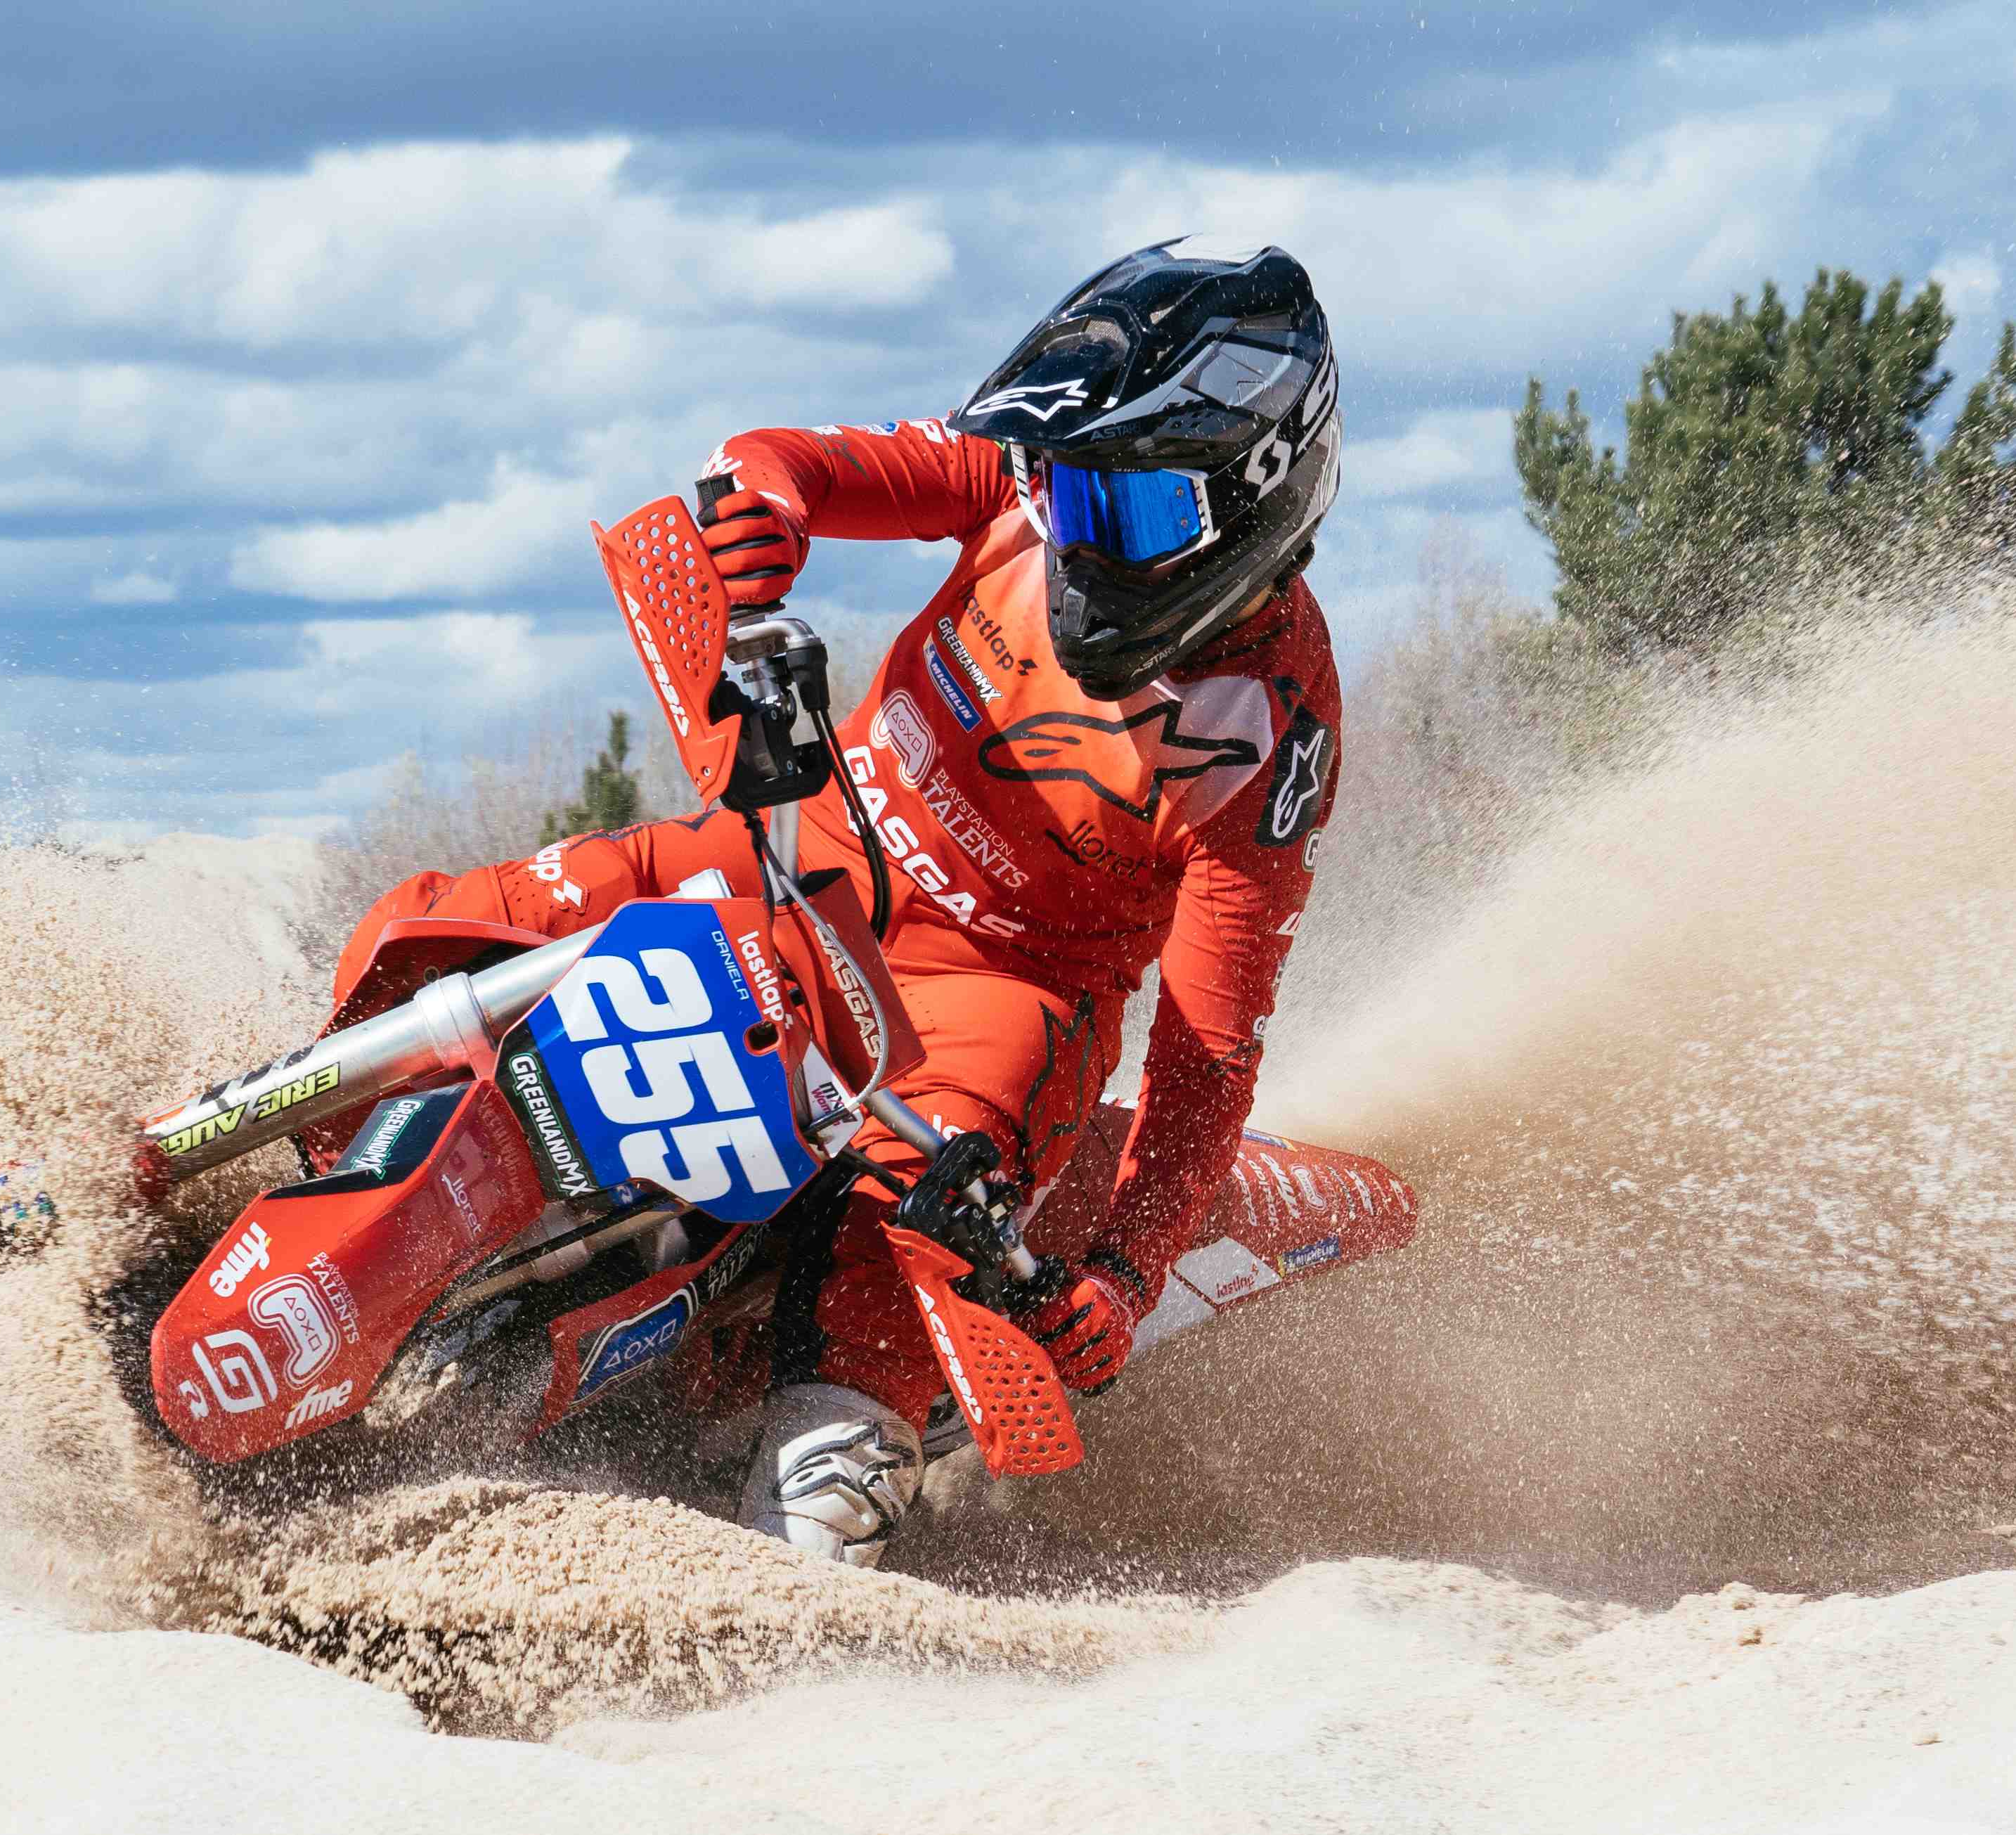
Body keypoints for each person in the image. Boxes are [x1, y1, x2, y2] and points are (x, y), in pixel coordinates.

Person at [354, 242, 1347, 1566]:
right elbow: (783, 462)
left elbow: (1210, 1047)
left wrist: (1124, 1271)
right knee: (445, 920)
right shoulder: (1021, 478)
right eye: (1074, 489)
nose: (1082, 533)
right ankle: (256, 1165)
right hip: (800, 855)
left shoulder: (1270, 737)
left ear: (1260, 492)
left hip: (997, 1001)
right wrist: (758, 530)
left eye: (1139, 508)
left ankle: (802, 1555)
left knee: (902, 1243)